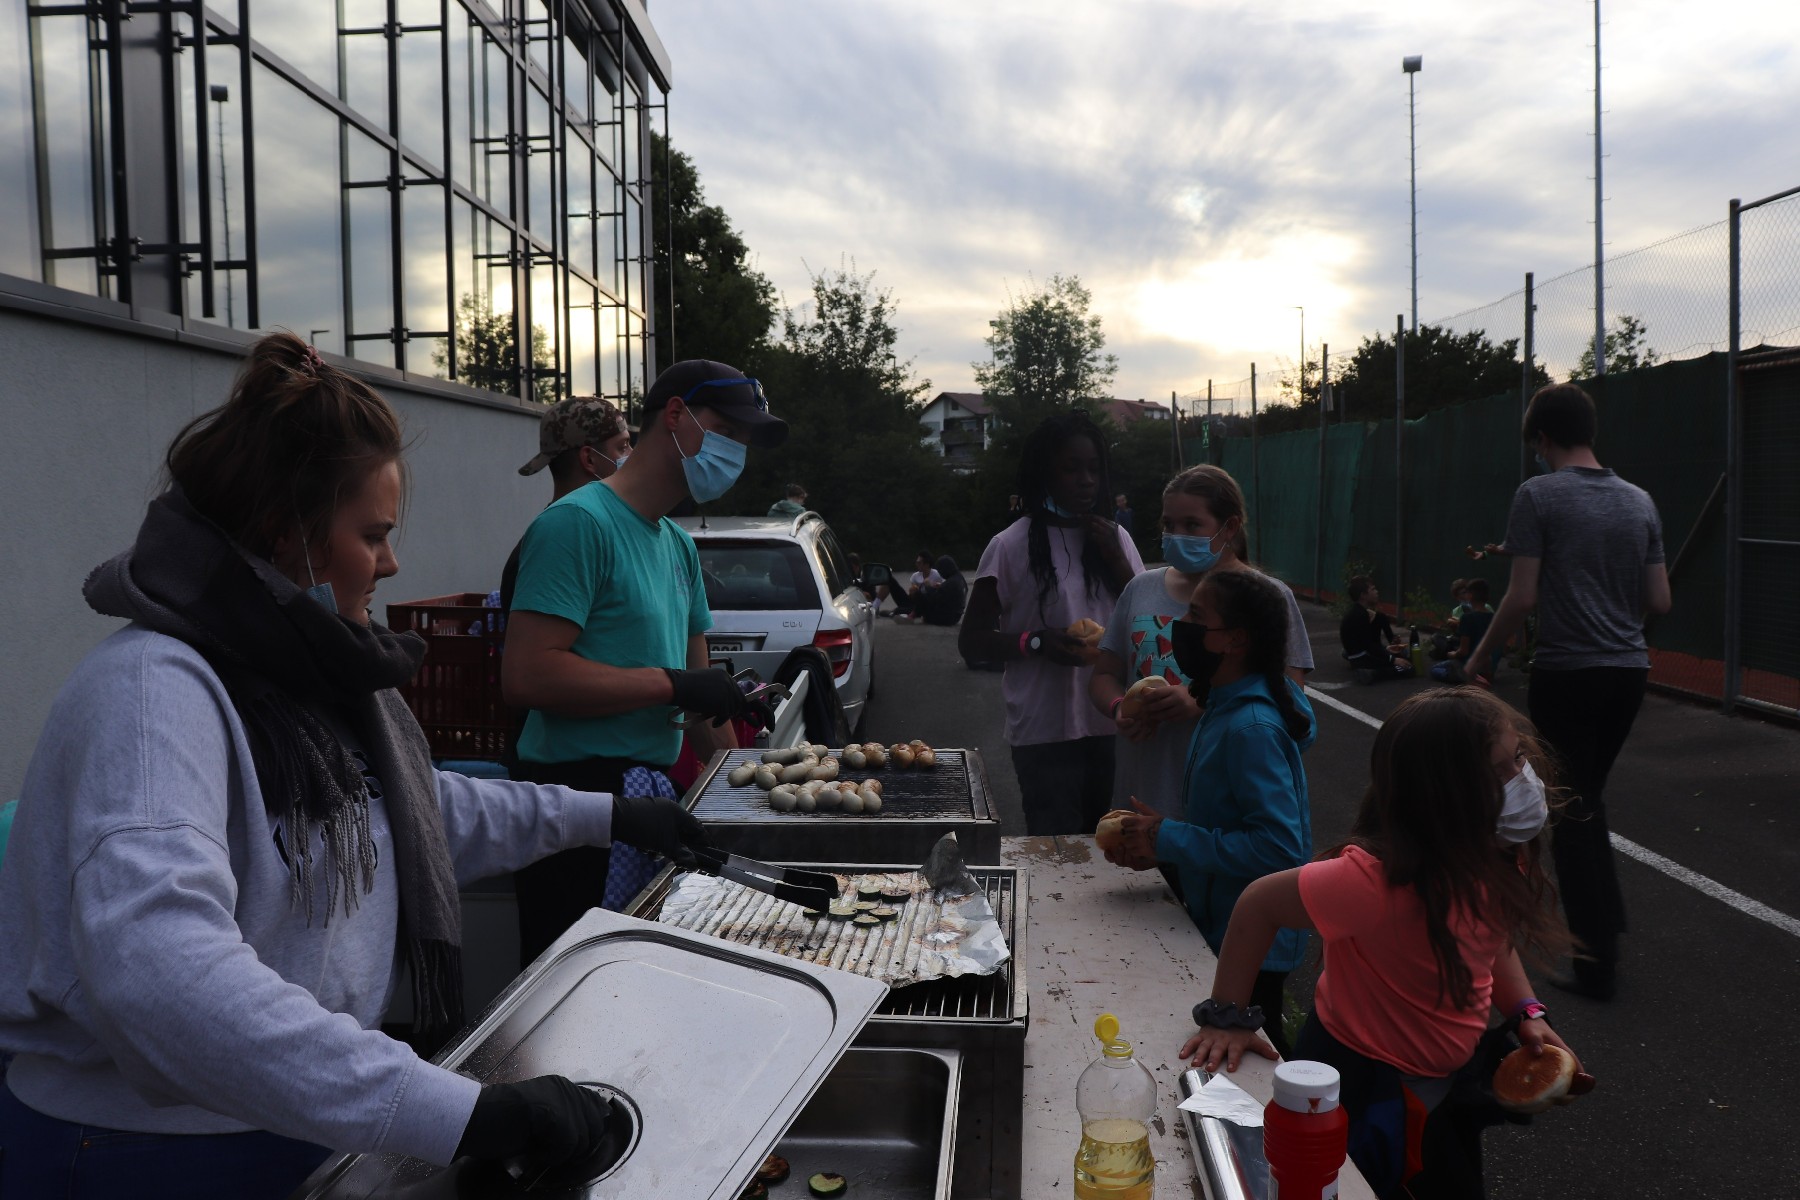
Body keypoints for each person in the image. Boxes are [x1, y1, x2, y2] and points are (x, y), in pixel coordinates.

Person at [0, 334, 706, 1199]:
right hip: (143, 1151)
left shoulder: (301, 675)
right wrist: (458, 1114)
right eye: (372, 535)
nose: (392, 562)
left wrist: (609, 817)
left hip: (289, 1115)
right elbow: (161, 972)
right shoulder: (153, 694)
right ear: (286, 532)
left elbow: (406, 814)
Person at [1181, 687, 1583, 1199]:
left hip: (1442, 1086)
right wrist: (1227, 1017)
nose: (1523, 779)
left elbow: (1488, 939)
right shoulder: (1374, 881)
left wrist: (1527, 1010)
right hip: (1366, 1089)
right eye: (1499, 771)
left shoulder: (1491, 854)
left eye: (1519, 758)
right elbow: (1259, 904)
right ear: (1442, 795)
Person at [503, 361, 787, 965]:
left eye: (743, 441)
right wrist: (671, 686)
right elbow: (528, 675)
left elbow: (703, 708)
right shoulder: (576, 524)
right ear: (676, 416)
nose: (735, 453)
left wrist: (749, 794)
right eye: (725, 432)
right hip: (578, 806)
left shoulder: (677, 545)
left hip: (652, 809)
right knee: (574, 992)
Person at [1465, 383, 1671, 1000]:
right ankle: (1606, 928)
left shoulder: (1538, 493)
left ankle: (1595, 963)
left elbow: (1522, 595)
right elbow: (1659, 599)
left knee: (1571, 809)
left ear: (1542, 437)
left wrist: (1481, 654)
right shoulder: (1639, 500)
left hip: (1568, 671)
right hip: (1627, 670)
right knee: (1590, 798)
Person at [1102, 569, 1315, 1058]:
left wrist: (1170, 837)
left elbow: (1280, 850)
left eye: (1196, 616)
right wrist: (1159, 841)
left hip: (1254, 944)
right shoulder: (1219, 706)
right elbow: (1228, 824)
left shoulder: (1250, 729)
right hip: (1223, 924)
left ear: (1235, 640)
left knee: (1252, 1058)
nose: (1182, 625)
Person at [1088, 465, 1313, 817]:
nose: (1176, 535)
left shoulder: (1268, 597)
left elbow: (1291, 698)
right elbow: (1103, 675)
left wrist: (1202, 700)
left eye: (1192, 525)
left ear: (1230, 527)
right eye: (1168, 525)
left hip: (1222, 808)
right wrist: (1120, 707)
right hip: (1141, 795)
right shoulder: (1140, 588)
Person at [959, 410, 1144, 833]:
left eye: (1094, 469)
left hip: (1113, 722)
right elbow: (972, 641)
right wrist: (1037, 643)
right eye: (1071, 468)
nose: (1086, 480)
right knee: (1056, 852)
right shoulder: (1010, 545)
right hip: (1044, 733)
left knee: (1110, 847)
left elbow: (1147, 621)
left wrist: (1115, 559)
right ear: (1044, 473)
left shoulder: (1115, 538)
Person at [500, 395, 632, 615]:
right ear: (589, 459)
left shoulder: (592, 532)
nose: (632, 456)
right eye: (623, 447)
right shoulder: (555, 547)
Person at [1339, 575, 1411, 682]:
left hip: (1358, 657)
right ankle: (1372, 674)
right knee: (1408, 668)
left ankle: (1371, 671)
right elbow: (1369, 646)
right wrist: (1392, 659)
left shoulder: (1359, 612)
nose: (1377, 592)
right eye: (1373, 589)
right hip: (1362, 658)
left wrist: (1386, 650)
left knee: (1400, 658)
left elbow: (1367, 643)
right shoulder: (1360, 615)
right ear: (1363, 595)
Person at [1431, 579, 1497, 682]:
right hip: (1487, 666)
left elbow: (1463, 651)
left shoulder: (1467, 618)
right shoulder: (1493, 617)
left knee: (1435, 669)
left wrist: (1452, 654)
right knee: (1438, 638)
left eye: (1466, 592)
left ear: (1470, 596)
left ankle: (1466, 677)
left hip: (1469, 664)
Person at [884, 551, 943, 619]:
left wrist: (930, 587)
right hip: (913, 604)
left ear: (927, 564)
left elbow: (943, 591)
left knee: (899, 610)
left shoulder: (937, 575)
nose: (917, 564)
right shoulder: (915, 576)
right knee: (890, 579)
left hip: (925, 606)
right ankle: (876, 606)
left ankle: (894, 612)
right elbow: (912, 598)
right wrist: (912, 593)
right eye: (916, 562)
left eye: (919, 563)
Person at [916, 555, 968, 626]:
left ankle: (913, 614)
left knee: (921, 592)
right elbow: (947, 594)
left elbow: (934, 599)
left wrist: (927, 587)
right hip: (955, 617)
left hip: (944, 619)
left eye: (940, 570)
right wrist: (940, 587)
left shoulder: (951, 583)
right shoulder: (960, 579)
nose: (940, 573)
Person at [1428, 577, 1470, 660]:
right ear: (1456, 597)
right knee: (1436, 637)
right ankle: (1447, 652)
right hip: (1459, 639)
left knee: (1436, 652)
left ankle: (1445, 654)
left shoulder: (1482, 606)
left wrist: (1460, 623)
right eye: (1459, 595)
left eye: (1465, 592)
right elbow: (1457, 633)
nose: (1463, 596)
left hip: (1472, 641)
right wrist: (1454, 627)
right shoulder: (1456, 611)